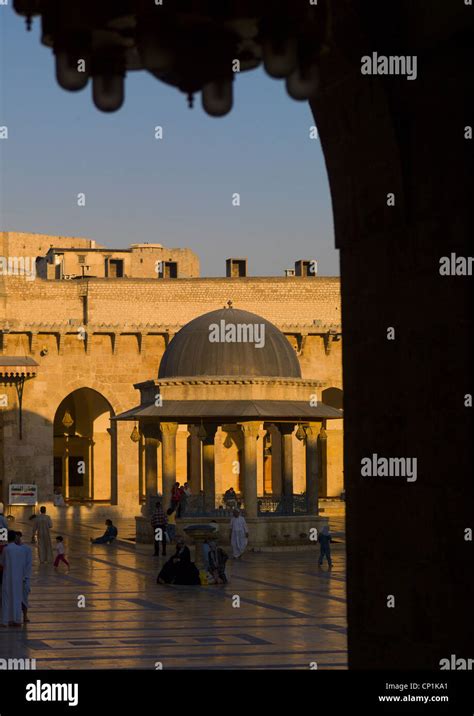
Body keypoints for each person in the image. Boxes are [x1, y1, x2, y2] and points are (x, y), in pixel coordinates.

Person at [1, 530, 26, 627]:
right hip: (18, 577)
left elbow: (2, 562)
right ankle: (16, 619)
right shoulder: (21, 549)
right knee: (17, 597)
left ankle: (5, 620)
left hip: (8, 577)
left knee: (7, 598)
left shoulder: (6, 549)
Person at [15, 532, 32, 623]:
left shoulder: (26, 549)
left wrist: (25, 577)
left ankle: (25, 615)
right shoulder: (10, 548)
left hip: (24, 578)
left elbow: (28, 564)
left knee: (24, 598)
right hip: (14, 577)